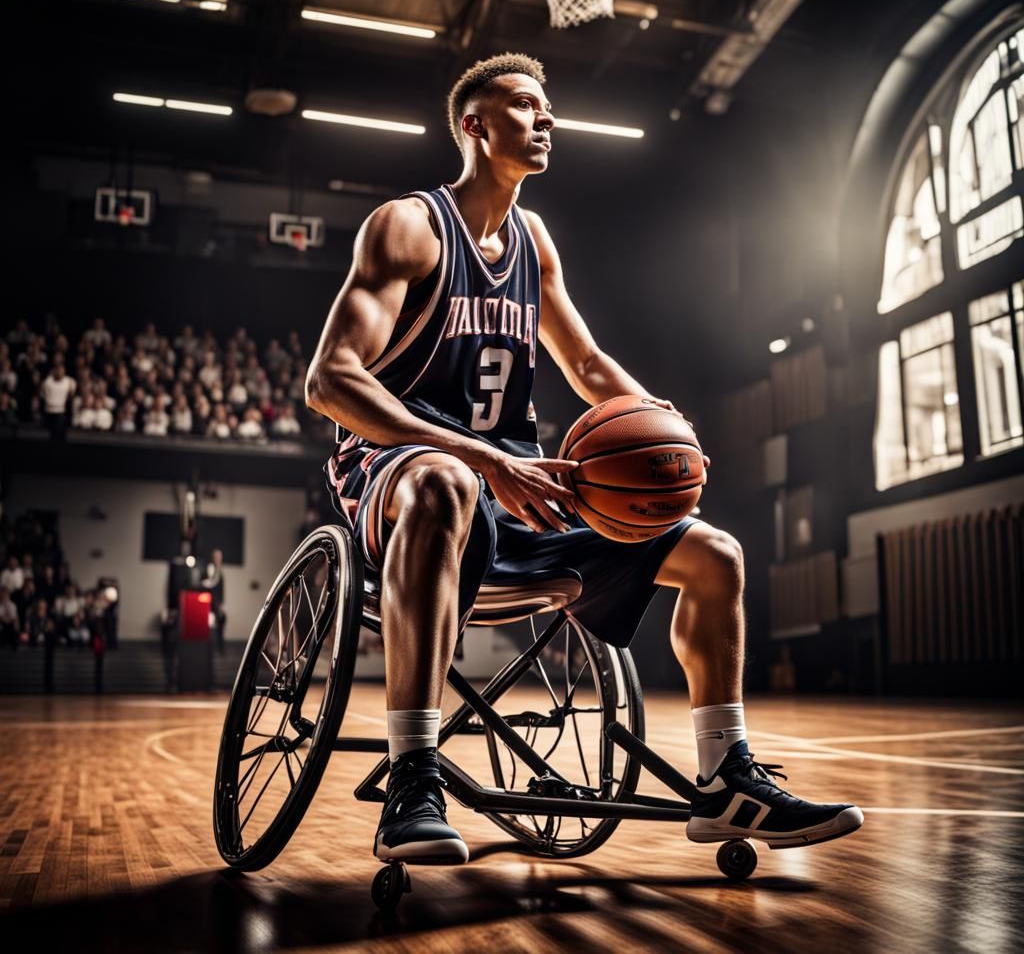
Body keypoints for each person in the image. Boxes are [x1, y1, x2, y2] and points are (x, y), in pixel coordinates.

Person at [305, 53, 862, 866]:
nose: (546, 119)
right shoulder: (408, 227)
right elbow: (331, 380)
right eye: (526, 105)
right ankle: (413, 776)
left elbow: (590, 365)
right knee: (448, 479)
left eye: (549, 108)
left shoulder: (534, 239)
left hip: (515, 490)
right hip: (397, 477)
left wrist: (662, 424)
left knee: (714, 555)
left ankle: (725, 780)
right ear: (474, 125)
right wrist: (482, 458)